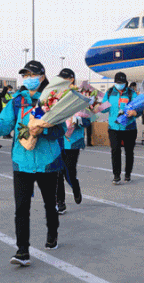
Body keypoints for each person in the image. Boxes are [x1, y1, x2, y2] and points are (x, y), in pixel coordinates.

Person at [0, 60, 63, 266]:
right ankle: (22, 250)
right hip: (21, 161)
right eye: (24, 75)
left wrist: (44, 129)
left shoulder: (52, 100)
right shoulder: (17, 100)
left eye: (31, 75)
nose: (27, 79)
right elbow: (5, 126)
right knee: (21, 207)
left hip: (47, 161)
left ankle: (52, 236)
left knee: (50, 204)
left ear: (41, 77)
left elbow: (59, 131)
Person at [55, 68, 87, 215]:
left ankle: (75, 185)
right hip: (58, 140)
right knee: (58, 173)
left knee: (69, 171)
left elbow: (89, 119)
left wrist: (80, 119)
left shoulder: (81, 96)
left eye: (65, 79)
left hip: (73, 140)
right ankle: (60, 202)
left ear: (72, 79)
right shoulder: (55, 96)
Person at [101, 72, 139, 184]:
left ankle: (128, 174)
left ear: (125, 82)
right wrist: (96, 106)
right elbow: (104, 109)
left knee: (129, 152)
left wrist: (135, 112)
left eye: (122, 83)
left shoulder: (131, 93)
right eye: (117, 83)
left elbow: (139, 108)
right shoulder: (109, 93)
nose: (119, 85)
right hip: (114, 127)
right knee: (115, 151)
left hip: (129, 128)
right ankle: (116, 176)